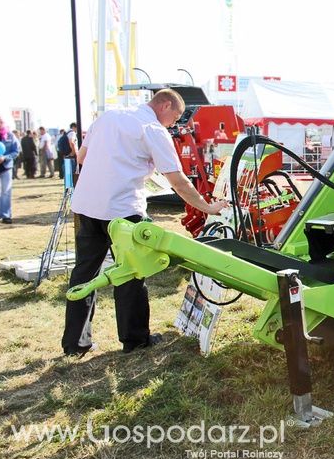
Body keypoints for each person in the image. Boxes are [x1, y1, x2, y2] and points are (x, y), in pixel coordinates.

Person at [62, 89, 229, 356]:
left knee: (84, 273)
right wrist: (207, 207)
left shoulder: (107, 117)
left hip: (87, 206)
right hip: (123, 211)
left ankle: (74, 344)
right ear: (165, 105)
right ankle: (135, 339)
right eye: (173, 118)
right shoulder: (152, 129)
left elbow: (81, 157)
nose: (172, 125)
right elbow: (178, 181)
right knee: (131, 274)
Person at [0, 115, 21, 224]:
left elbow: (16, 151)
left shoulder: (10, 136)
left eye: (1, 122)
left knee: (6, 191)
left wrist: (4, 157)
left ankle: (6, 215)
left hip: (6, 167)